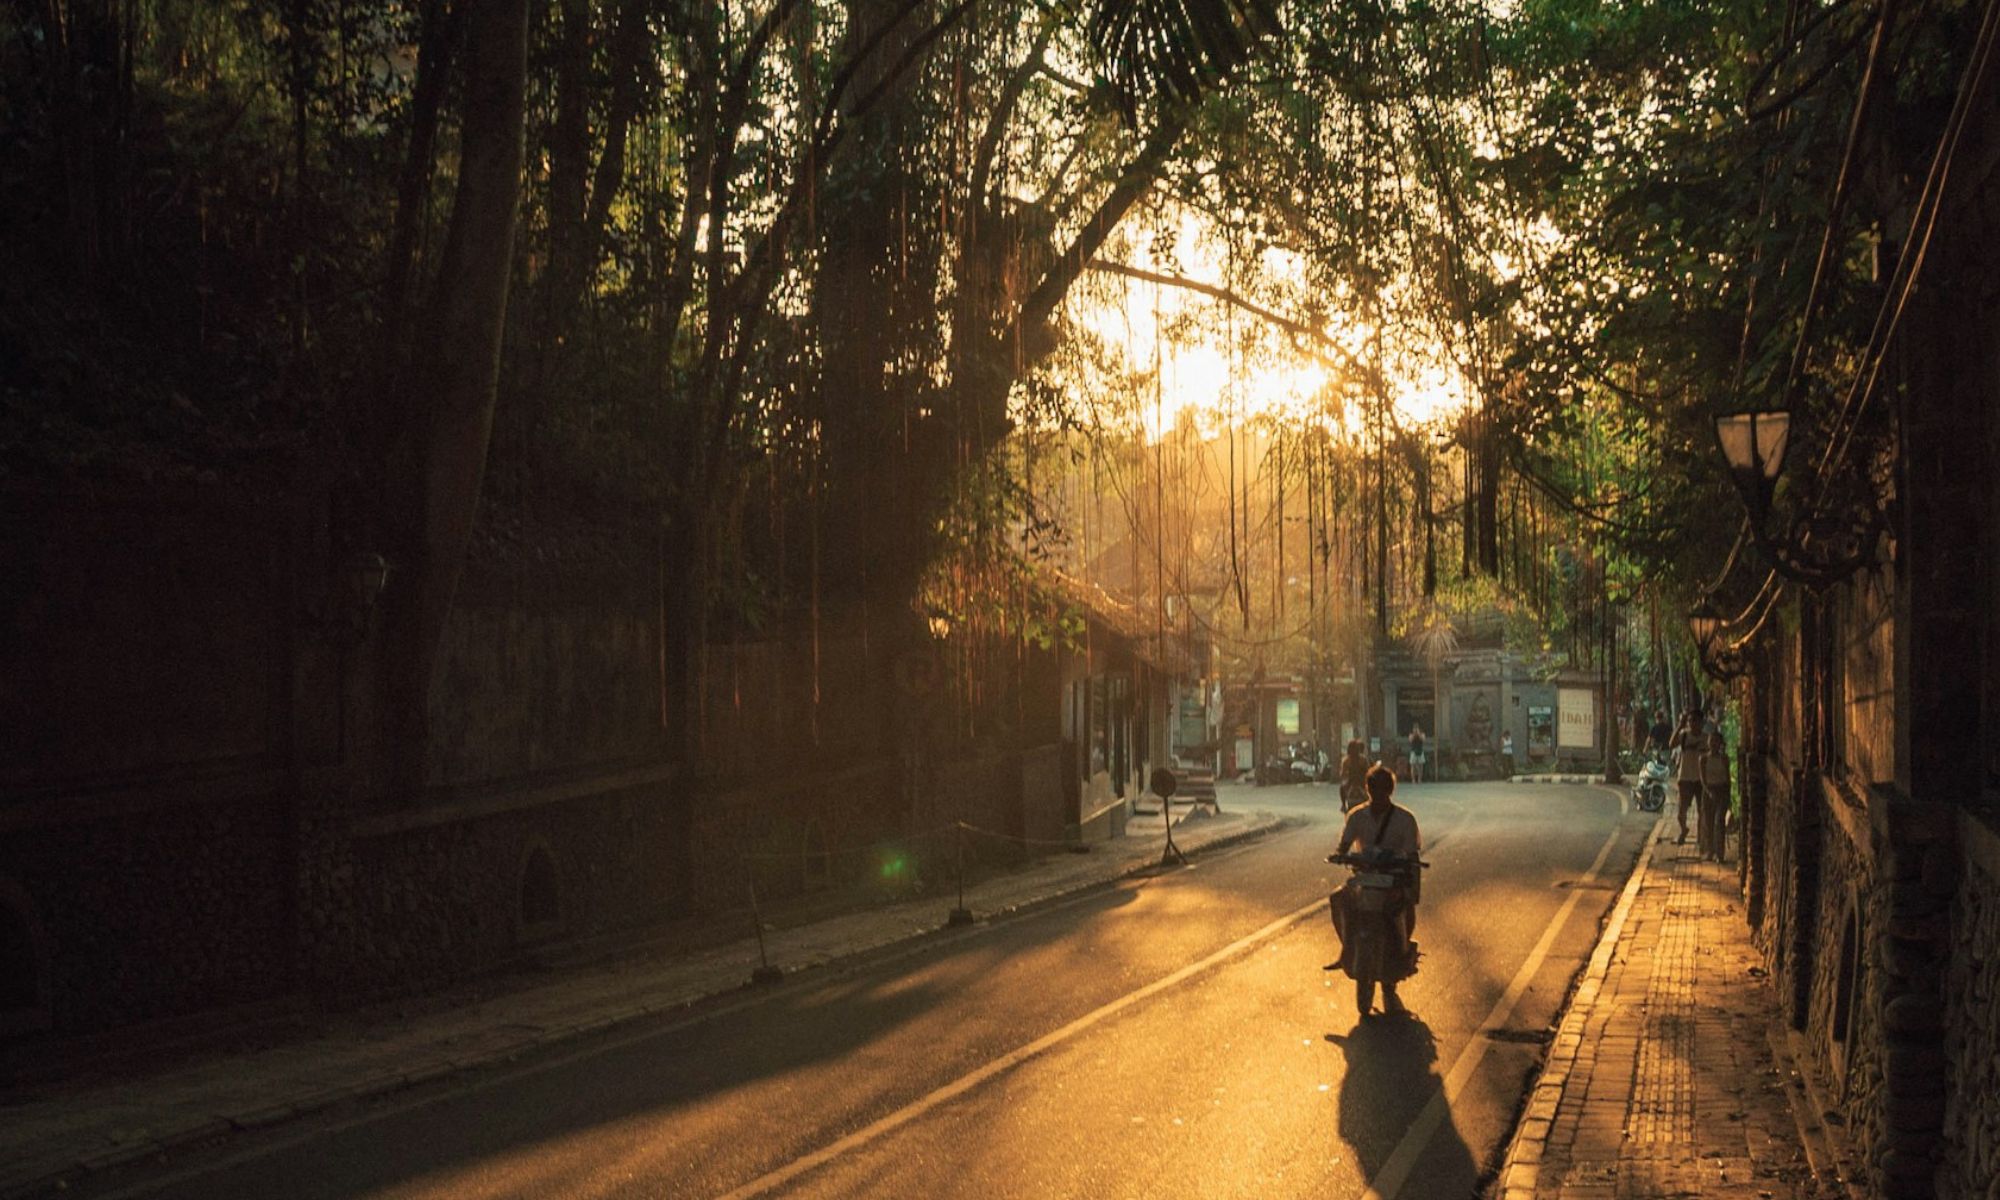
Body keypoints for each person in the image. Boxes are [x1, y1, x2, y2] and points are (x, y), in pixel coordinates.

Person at [1331, 763, 1423, 1015]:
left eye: (1382, 789)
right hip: (1366, 879)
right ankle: (1346, 947)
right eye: (1373, 788)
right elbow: (1344, 845)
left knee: (1403, 906)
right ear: (1367, 789)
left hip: (1392, 879)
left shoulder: (1405, 820)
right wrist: (1340, 855)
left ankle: (1402, 951)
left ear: (1390, 790)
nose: (1377, 793)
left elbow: (1412, 856)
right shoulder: (1357, 816)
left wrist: (1408, 882)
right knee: (1338, 899)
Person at [1668, 709, 1703, 845]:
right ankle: (1683, 830)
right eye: (1690, 721)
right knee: (1681, 811)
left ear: (1701, 722)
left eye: (1695, 720)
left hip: (1700, 779)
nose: (1692, 724)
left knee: (1702, 811)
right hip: (1685, 777)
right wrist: (1679, 726)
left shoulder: (1706, 738)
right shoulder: (1683, 736)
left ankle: (1701, 837)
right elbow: (1671, 744)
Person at [1698, 730, 1732, 861]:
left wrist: (1728, 796)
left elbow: (1727, 778)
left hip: (1722, 791)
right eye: (1711, 741)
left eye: (1716, 741)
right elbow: (1703, 779)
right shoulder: (1703, 759)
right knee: (1709, 823)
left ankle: (1720, 853)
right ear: (1708, 742)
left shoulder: (1724, 759)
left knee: (1719, 822)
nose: (1713, 744)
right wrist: (1708, 791)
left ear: (1720, 743)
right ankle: (1710, 851)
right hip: (1708, 792)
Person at [1338, 739, 1369, 811]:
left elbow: (1342, 774)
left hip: (1351, 781)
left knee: (1342, 788)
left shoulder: (1346, 760)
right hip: (1361, 781)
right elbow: (1368, 771)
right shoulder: (1363, 759)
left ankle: (1343, 805)